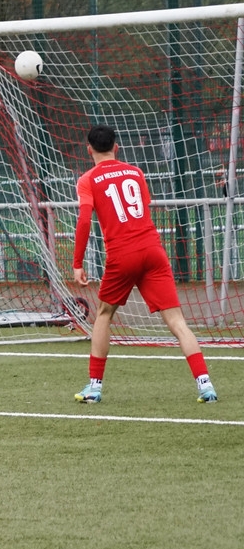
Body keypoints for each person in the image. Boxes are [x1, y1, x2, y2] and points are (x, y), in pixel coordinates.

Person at [72, 125, 217, 403]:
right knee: (177, 321)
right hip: (153, 250)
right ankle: (205, 385)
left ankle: (94, 387)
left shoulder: (87, 179)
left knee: (104, 314)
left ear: (89, 149)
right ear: (116, 147)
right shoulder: (135, 172)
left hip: (122, 254)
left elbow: (84, 221)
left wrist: (78, 262)